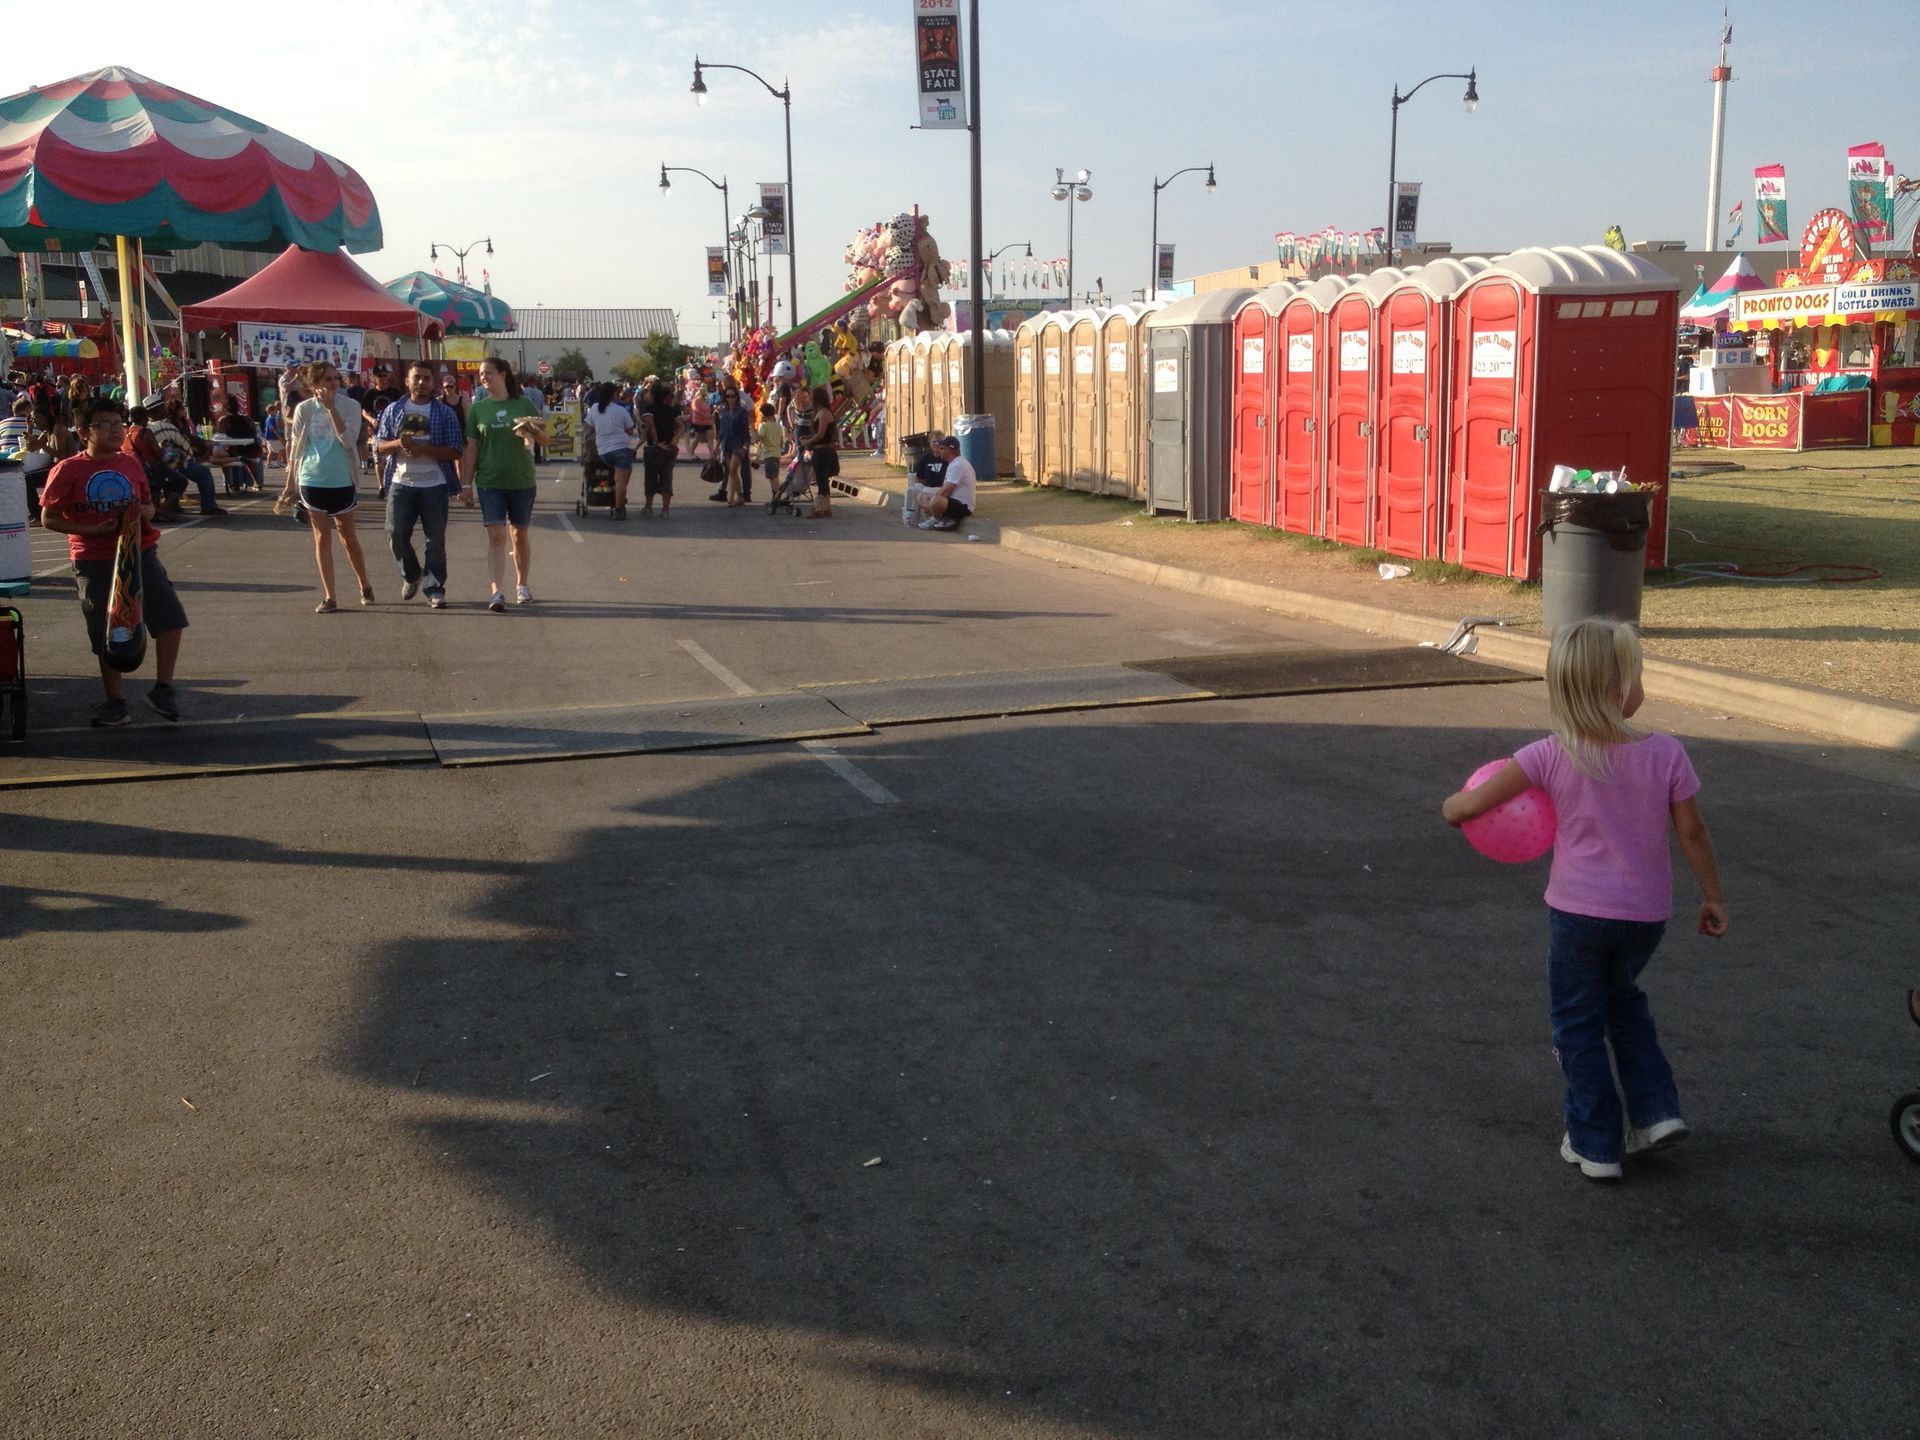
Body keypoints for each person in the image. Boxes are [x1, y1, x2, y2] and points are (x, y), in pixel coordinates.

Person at [1441, 619, 1728, 1182]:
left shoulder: (1547, 755)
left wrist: (1453, 805)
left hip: (1577, 915)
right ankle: (1656, 1113)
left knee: (1576, 1025)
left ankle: (1596, 1142)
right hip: (1645, 917)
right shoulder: (1666, 754)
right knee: (1623, 1004)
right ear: (1621, 688)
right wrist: (1713, 896)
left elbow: (1469, 808)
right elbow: (1692, 833)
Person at [36, 398, 190, 727]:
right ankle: (115, 701)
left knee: (171, 619)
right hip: (94, 559)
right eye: (104, 425)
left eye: (118, 424)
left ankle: (163, 690)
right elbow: (48, 517)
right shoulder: (68, 469)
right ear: (84, 432)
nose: (115, 431)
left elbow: (148, 505)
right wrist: (92, 529)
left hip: (140, 551)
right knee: (109, 632)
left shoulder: (131, 464)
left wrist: (138, 515)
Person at [281, 360, 375, 613]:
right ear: (314, 385)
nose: (333, 384)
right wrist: (290, 484)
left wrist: (332, 409)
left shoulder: (350, 406)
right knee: (322, 538)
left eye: (336, 378)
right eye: (327, 380)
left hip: (342, 479)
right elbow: (296, 448)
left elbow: (348, 440)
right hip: (312, 479)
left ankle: (364, 583)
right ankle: (329, 595)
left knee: (348, 537)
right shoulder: (304, 409)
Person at [375, 360, 467, 607]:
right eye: (416, 378)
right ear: (407, 381)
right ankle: (412, 574)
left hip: (434, 485)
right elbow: (380, 446)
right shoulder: (393, 410)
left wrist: (427, 449)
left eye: (426, 378)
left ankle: (434, 588)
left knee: (434, 539)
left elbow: (456, 450)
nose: (421, 383)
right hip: (400, 483)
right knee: (395, 534)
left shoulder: (444, 413)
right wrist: (399, 444)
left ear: (433, 383)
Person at [462, 356, 545, 610]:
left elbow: (545, 440)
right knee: (496, 536)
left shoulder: (523, 403)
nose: (483, 377)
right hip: (490, 480)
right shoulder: (478, 409)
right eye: (481, 374)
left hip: (521, 479)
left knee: (519, 534)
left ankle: (522, 585)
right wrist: (466, 484)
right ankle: (496, 591)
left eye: (488, 373)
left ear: (503, 374)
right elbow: (472, 449)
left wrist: (530, 429)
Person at [145, 397, 226, 517]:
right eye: (162, 407)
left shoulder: (147, 428)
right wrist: (192, 456)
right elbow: (182, 446)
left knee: (172, 476)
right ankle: (209, 506)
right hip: (175, 463)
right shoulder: (165, 426)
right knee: (203, 473)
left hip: (154, 465)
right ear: (158, 410)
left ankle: (174, 506)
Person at [587, 380, 638, 520]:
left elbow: (590, 427)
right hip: (621, 448)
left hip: (603, 451)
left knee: (623, 473)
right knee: (620, 481)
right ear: (614, 394)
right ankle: (619, 507)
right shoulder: (620, 410)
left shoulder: (595, 408)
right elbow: (630, 430)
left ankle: (620, 498)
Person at [791, 384, 838, 519]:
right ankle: (825, 507)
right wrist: (807, 438)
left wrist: (808, 441)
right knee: (821, 478)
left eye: (812, 397)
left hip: (823, 450)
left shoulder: (824, 413)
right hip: (819, 449)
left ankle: (820, 508)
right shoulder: (819, 412)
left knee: (821, 479)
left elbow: (821, 434)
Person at [913, 434, 974, 530]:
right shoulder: (953, 463)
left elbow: (947, 489)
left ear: (949, 450)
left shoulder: (958, 464)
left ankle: (937, 519)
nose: (939, 450)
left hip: (962, 506)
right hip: (952, 501)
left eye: (941, 448)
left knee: (935, 501)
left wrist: (931, 506)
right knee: (922, 495)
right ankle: (939, 518)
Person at [641, 380, 680, 517]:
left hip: (654, 447)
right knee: (666, 478)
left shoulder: (648, 408)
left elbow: (650, 424)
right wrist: (675, 440)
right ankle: (665, 509)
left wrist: (656, 442)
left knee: (650, 477)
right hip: (669, 447)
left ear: (652, 393)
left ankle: (649, 506)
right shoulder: (669, 409)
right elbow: (681, 425)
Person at [711, 382, 754, 506]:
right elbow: (722, 430)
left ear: (737, 397)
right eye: (728, 396)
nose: (730, 398)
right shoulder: (723, 411)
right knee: (732, 472)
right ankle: (739, 496)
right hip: (726, 444)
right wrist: (717, 446)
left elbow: (746, 431)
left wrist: (746, 446)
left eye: (733, 396)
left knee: (732, 470)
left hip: (738, 444)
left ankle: (731, 498)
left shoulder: (741, 412)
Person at [216, 406, 263, 492]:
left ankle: (230, 483)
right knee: (246, 459)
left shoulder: (224, 420)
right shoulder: (247, 419)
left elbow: (220, 436)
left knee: (222, 458)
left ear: (226, 409)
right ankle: (257, 482)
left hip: (235, 450)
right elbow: (255, 435)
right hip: (252, 449)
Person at [755, 403, 786, 496]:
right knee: (774, 475)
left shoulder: (764, 426)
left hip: (769, 454)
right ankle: (775, 494)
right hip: (777, 453)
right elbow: (781, 442)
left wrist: (753, 430)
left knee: (773, 477)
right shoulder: (778, 426)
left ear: (764, 414)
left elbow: (759, 438)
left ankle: (776, 494)